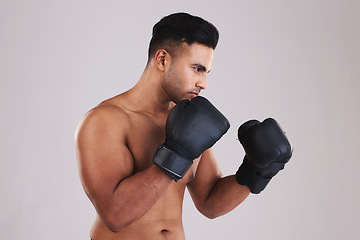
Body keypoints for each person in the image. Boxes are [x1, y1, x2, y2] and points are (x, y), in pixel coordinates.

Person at [75, 12, 292, 240]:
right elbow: (115, 216)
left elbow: (209, 202)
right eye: (197, 69)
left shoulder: (188, 121)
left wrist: (254, 172)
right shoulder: (105, 121)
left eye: (207, 72)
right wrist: (175, 154)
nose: (204, 83)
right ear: (162, 60)